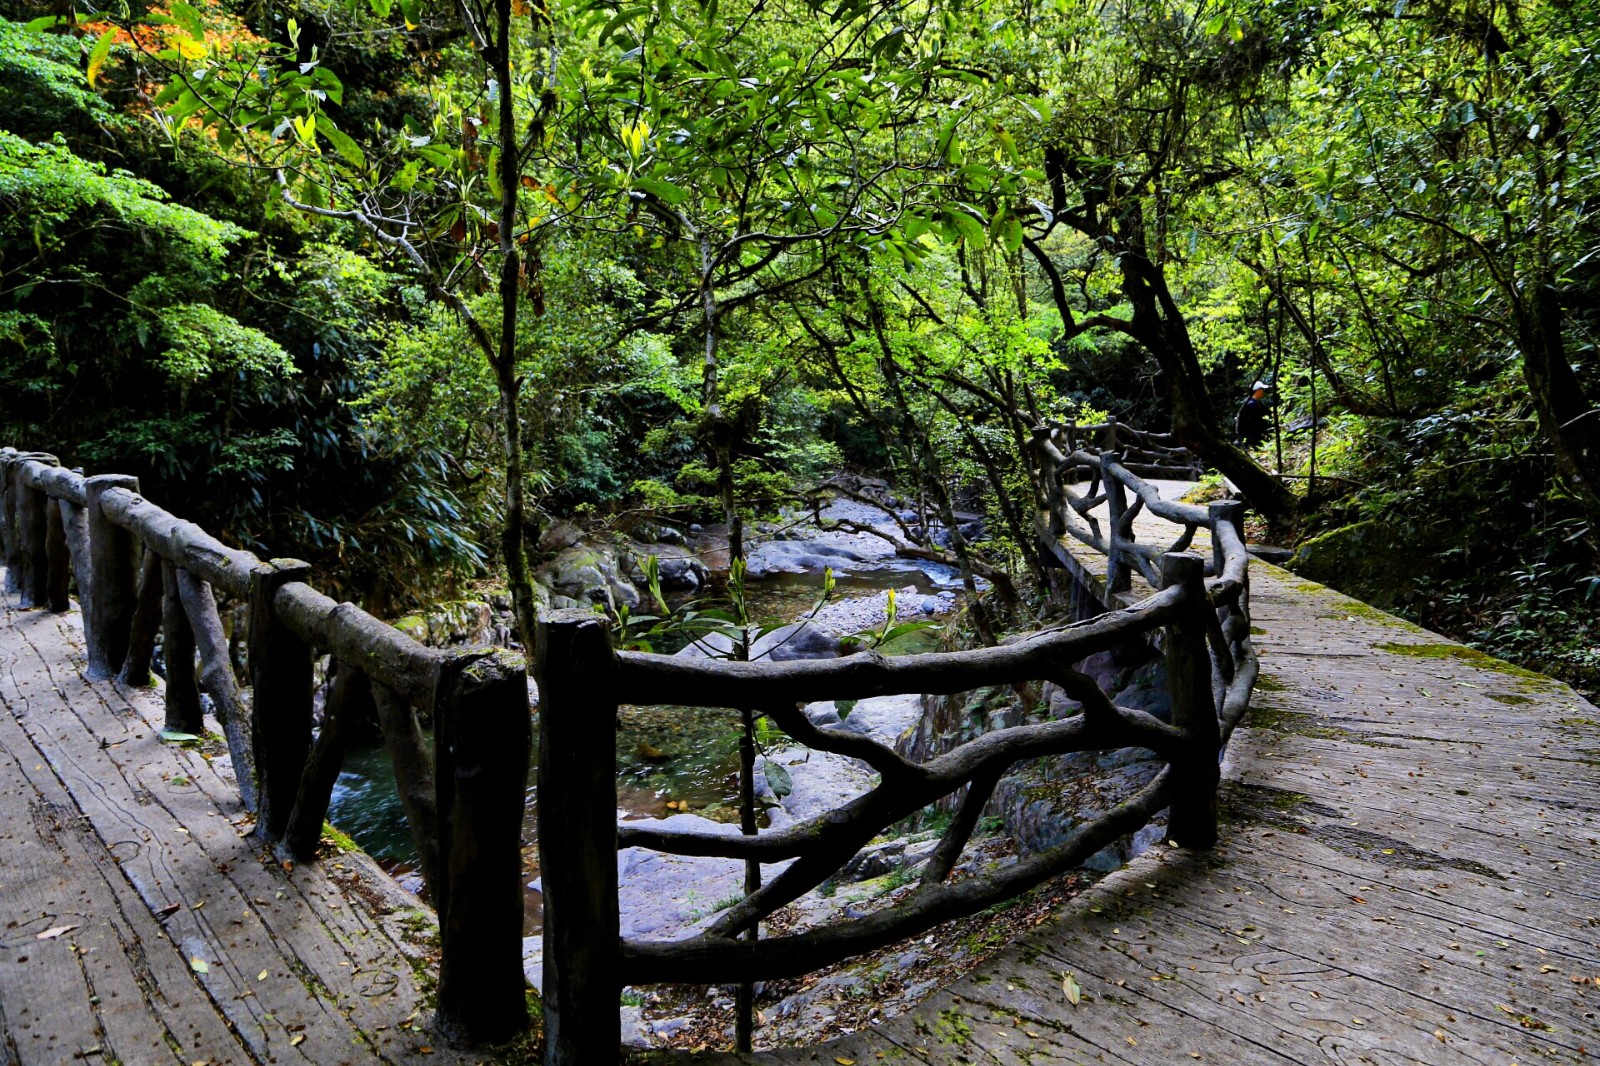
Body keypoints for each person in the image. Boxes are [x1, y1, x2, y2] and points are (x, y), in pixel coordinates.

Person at [1236, 380, 1271, 448]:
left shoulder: (1255, 402)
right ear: (1258, 390)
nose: (1263, 391)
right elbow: (1254, 422)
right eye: (1262, 389)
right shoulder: (1251, 404)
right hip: (1251, 436)